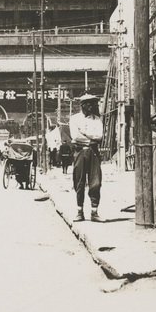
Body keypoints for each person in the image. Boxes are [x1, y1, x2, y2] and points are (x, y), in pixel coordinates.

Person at [69, 94, 103, 222]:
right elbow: (75, 136)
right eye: (88, 104)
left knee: (96, 182)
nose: (91, 106)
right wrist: (90, 139)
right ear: (82, 105)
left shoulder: (97, 120)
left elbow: (99, 137)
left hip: (94, 153)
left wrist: (84, 133)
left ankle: (94, 212)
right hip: (80, 153)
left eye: (93, 104)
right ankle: (79, 212)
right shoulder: (74, 119)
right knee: (79, 182)